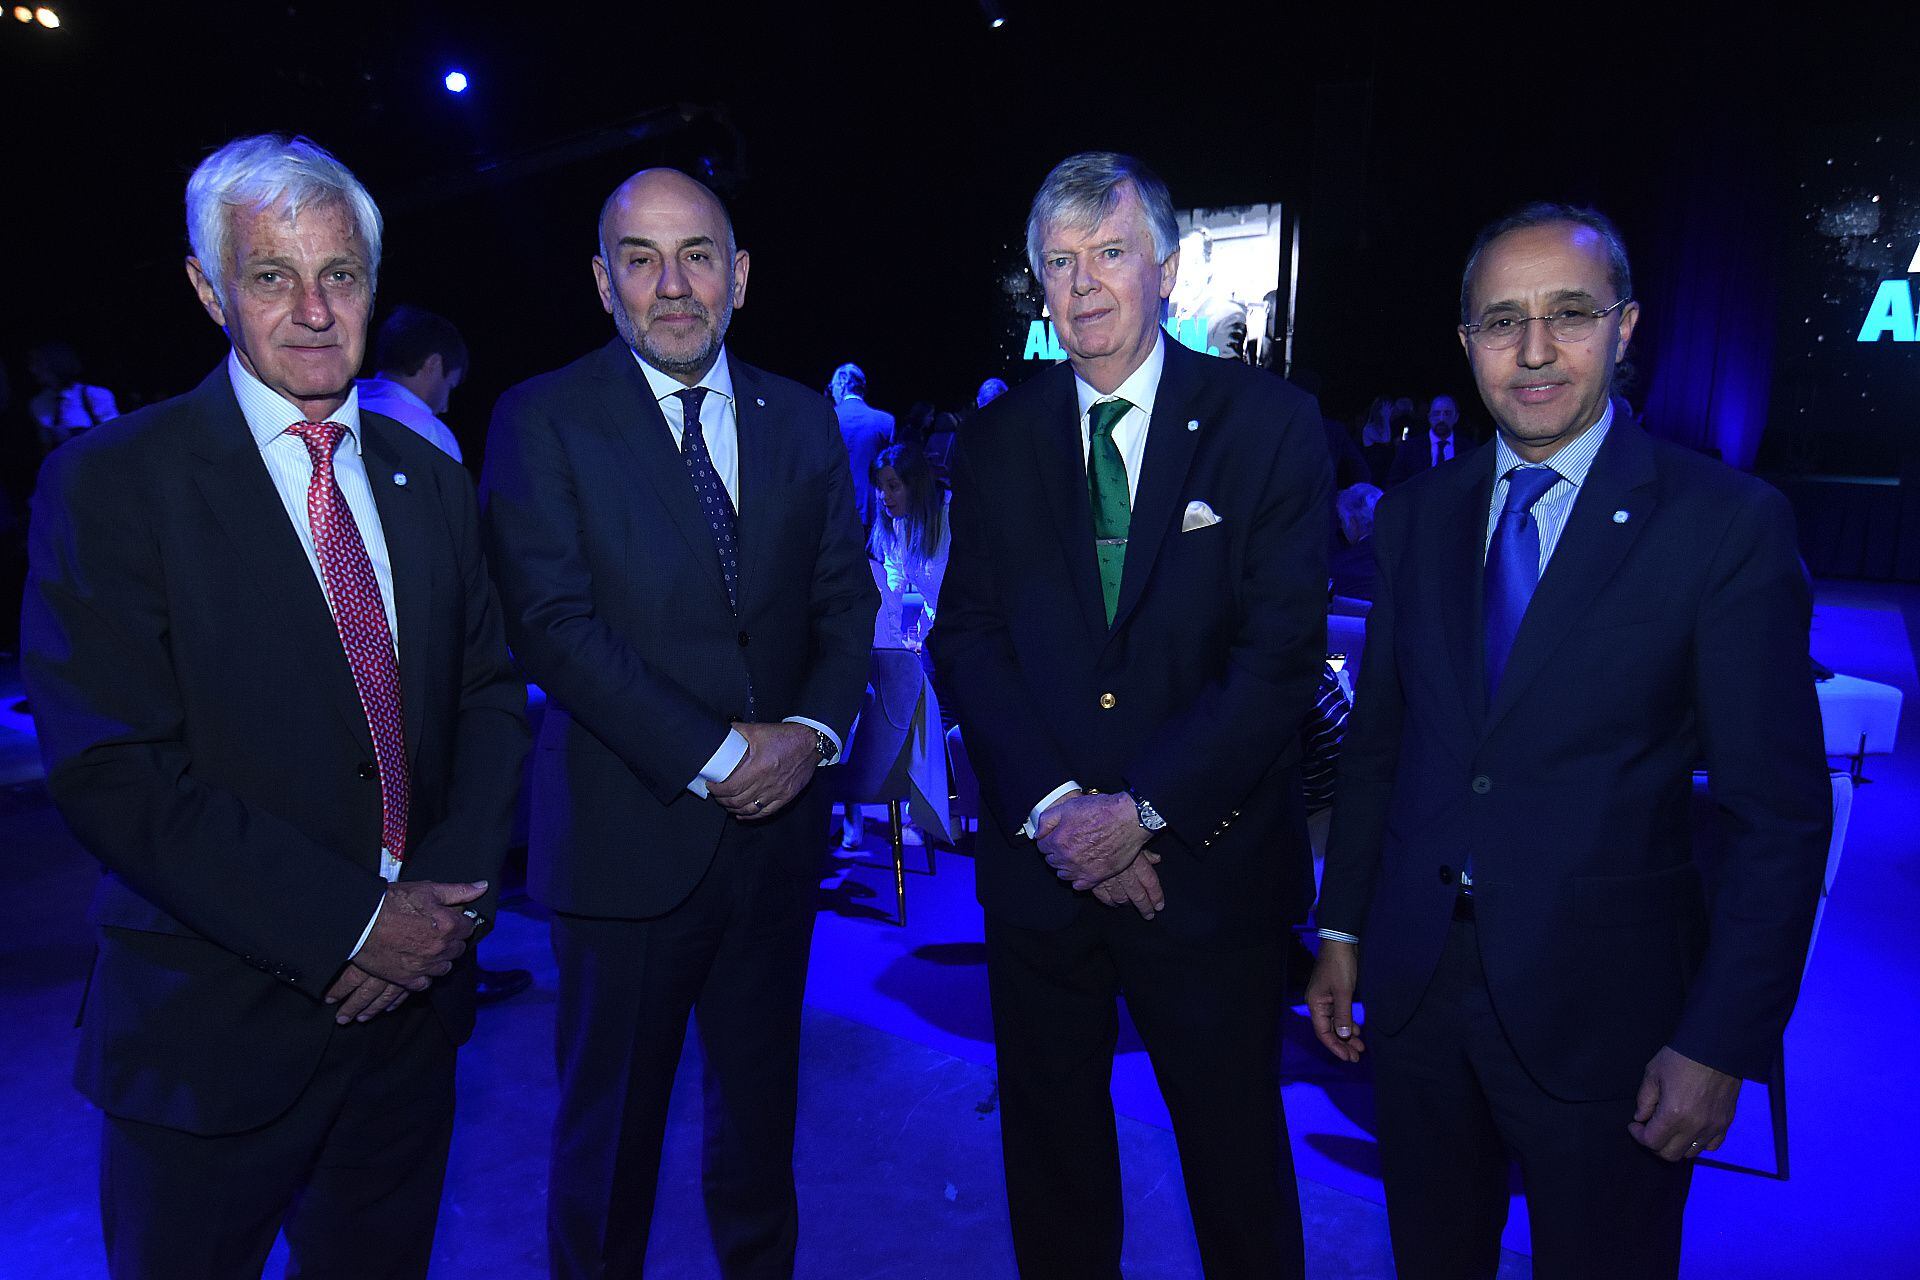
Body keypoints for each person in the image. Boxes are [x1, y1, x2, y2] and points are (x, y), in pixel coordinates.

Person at [20, 132, 529, 1280]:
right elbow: (116, 769)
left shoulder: (429, 479)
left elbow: (490, 696)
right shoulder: (112, 484)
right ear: (209, 289)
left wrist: (436, 911)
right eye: (270, 276)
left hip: (410, 1026)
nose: (311, 310)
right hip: (211, 1036)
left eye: (339, 275)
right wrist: (354, 922)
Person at [1307, 204, 1830, 1279]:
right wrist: (1345, 925)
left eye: (1569, 314)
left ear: (1626, 326)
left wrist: (1721, 1040)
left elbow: (1776, 818)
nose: (1535, 350)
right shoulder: (1417, 517)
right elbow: (1382, 750)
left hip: (1616, 1020)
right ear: (1465, 343)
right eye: (1503, 321)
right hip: (1417, 997)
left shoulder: (1723, 523)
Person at [934, 151, 1330, 1279]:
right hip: (1043, 873)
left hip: (1206, 874)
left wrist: (1143, 813)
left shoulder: (1268, 424)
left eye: (1110, 253)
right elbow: (969, 636)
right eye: (1058, 264)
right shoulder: (1000, 437)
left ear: (1168, 266)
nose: (1085, 285)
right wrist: (1067, 810)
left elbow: (1278, 657)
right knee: (1052, 1169)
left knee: (1236, 1168)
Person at [481, 166, 875, 1279]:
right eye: (640, 259)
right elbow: (552, 625)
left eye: (696, 254)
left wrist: (807, 732)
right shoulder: (543, 418)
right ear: (602, 283)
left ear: (739, 276)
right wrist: (716, 755)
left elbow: (847, 605)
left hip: (778, 845)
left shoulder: (802, 419)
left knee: (761, 1136)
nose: (672, 285)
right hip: (626, 843)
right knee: (609, 1146)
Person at [356, 305, 469, 462]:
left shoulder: (340, 407)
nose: (445, 408)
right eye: (449, 386)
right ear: (433, 364)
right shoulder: (429, 432)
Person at [829, 361, 893, 527]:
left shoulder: (827, 419)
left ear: (841, 384)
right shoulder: (886, 422)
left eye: (832, 386)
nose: (832, 392)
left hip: (834, 510)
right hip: (875, 510)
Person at [26, 340, 118, 451]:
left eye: (38, 363)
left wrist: (74, 436)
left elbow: (114, 438)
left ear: (56, 363)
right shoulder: (39, 404)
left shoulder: (95, 395)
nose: (33, 370)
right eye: (32, 364)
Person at [1385, 393, 1461, 485]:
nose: (1441, 419)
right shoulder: (1409, 448)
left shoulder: (1467, 449)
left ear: (1456, 417)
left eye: (1447, 413)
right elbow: (1394, 483)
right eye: (1436, 413)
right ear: (1429, 417)